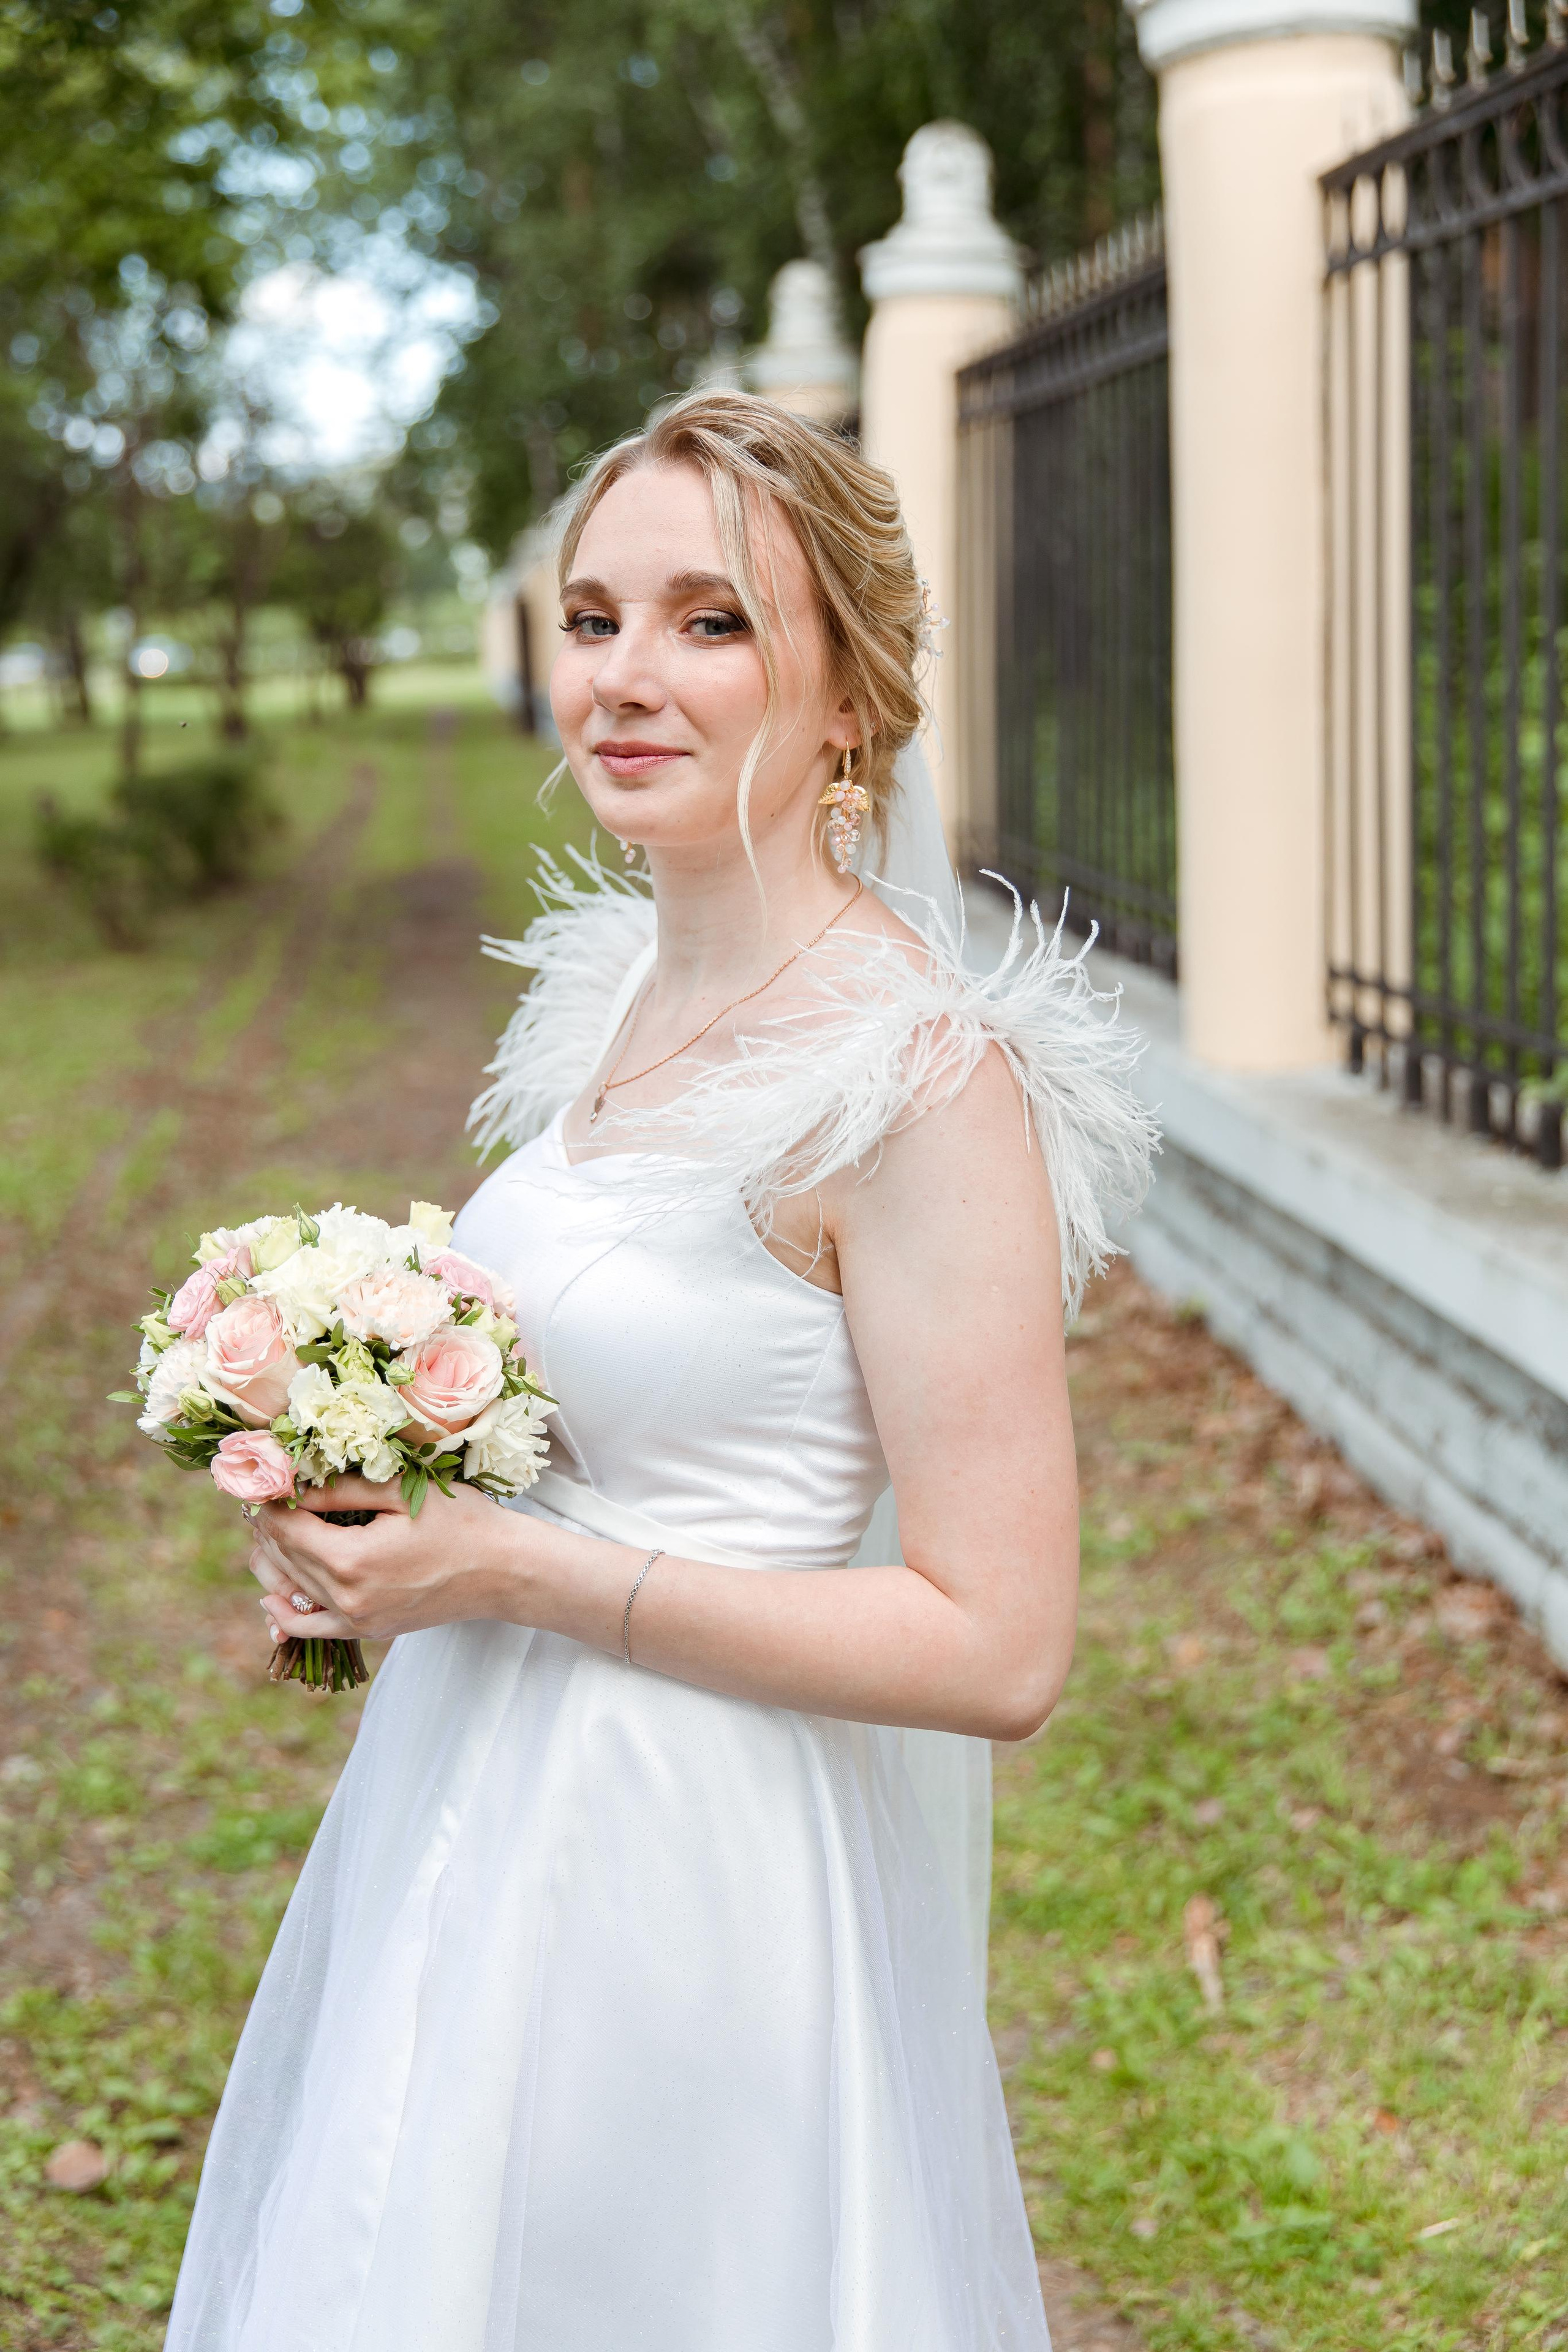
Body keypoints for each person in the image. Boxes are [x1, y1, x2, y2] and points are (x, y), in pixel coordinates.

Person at [165, 389, 1154, 2351]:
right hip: (472, 1808)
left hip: (693, 1878)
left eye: (711, 622)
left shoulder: (922, 1085)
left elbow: (1001, 1648)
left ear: (851, 693)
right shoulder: (615, 986)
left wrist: (516, 1574)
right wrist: (368, 1530)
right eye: (594, 615)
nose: (625, 675)